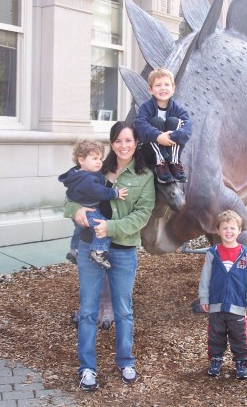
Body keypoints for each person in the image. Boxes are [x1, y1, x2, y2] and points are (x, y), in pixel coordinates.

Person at [64, 121, 155, 390]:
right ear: (112, 143)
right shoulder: (97, 166)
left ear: (136, 142)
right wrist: (75, 210)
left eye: (128, 140)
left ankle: (126, 362)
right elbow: (71, 195)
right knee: (89, 310)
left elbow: (143, 213)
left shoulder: (144, 176)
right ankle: (87, 369)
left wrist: (111, 227)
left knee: (124, 311)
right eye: (118, 141)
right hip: (89, 246)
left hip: (123, 250)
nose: (123, 146)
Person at [199, 210, 247, 380]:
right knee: (215, 334)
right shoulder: (213, 253)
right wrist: (204, 298)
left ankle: (241, 362)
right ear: (218, 231)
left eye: (233, 228)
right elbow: (205, 278)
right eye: (225, 228)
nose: (229, 231)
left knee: (238, 336)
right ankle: (215, 359)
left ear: (239, 231)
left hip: (237, 304)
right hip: (216, 304)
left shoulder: (245, 254)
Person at [59, 140, 128, 269]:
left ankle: (74, 250)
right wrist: (115, 194)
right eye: (94, 158)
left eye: (101, 158)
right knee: (101, 226)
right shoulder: (87, 179)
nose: (99, 162)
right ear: (81, 160)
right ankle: (98, 251)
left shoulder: (76, 173)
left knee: (79, 229)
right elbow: (99, 191)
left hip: (80, 207)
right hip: (89, 209)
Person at [134, 67, 192, 184]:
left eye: (166, 84)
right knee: (155, 121)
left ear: (173, 88)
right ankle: (161, 163)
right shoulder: (146, 107)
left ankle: (174, 162)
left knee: (174, 121)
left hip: (171, 147)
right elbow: (140, 124)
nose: (163, 88)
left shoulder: (178, 108)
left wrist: (171, 137)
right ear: (150, 90)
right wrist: (158, 136)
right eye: (158, 85)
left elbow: (188, 126)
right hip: (153, 149)